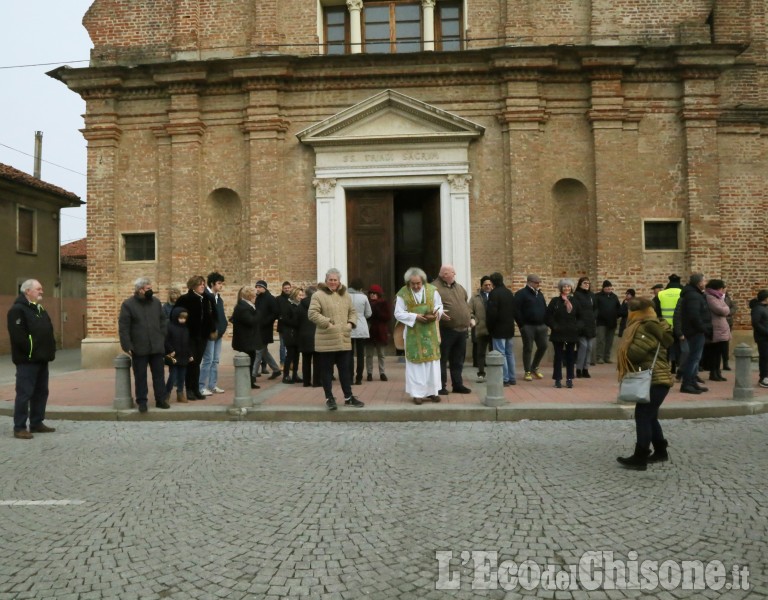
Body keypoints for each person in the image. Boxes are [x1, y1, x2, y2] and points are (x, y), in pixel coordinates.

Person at [616, 297, 674, 470]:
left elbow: (635, 354)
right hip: (659, 378)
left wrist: (626, 346)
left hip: (653, 378)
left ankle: (640, 457)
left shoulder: (645, 327)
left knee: (642, 415)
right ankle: (660, 451)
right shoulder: (657, 325)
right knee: (650, 415)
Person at [7, 279, 57, 439]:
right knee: (24, 393)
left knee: (41, 392)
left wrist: (50, 350)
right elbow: (18, 337)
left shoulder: (39, 309)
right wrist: (31, 352)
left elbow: (47, 331)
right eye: (38, 289)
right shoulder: (17, 310)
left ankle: (36, 422)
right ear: (27, 291)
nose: (42, 291)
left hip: (42, 359)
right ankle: (19, 427)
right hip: (27, 360)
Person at [308, 268, 363, 410]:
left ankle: (348, 397)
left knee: (345, 371)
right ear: (326, 281)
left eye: (335, 280)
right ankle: (329, 398)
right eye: (330, 280)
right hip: (326, 340)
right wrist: (328, 323)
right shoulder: (318, 295)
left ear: (339, 281)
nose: (333, 282)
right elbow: (312, 314)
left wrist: (350, 324)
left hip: (343, 338)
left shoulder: (346, 295)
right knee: (326, 372)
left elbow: (353, 311)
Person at [118, 277, 170, 412]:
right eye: (148, 288)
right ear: (140, 290)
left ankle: (161, 399)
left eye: (150, 288)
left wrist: (162, 336)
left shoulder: (156, 303)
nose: (150, 291)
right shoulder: (128, 304)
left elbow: (163, 320)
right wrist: (127, 345)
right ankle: (142, 402)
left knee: (159, 375)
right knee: (140, 376)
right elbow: (124, 326)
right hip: (139, 347)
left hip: (156, 346)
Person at [394, 267, 444, 404]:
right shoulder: (402, 294)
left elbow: (439, 305)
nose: (416, 286)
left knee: (432, 364)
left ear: (423, 281)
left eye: (418, 283)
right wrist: (415, 316)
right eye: (413, 284)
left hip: (429, 332)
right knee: (416, 366)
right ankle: (417, 394)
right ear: (408, 283)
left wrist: (435, 313)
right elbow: (398, 313)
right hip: (413, 334)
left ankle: (433, 392)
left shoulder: (432, 290)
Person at [433, 264, 472, 395]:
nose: (454, 274)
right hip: (445, 329)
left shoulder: (459, 287)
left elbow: (466, 304)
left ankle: (457, 384)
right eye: (452, 273)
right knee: (442, 359)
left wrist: (470, 318)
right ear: (444, 275)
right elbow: (431, 307)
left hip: (461, 330)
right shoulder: (434, 288)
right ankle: (440, 386)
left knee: (458, 359)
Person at [175, 275, 216, 400]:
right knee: (190, 362)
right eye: (200, 284)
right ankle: (188, 389)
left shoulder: (205, 299)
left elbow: (209, 316)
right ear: (193, 286)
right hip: (189, 335)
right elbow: (177, 316)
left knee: (197, 362)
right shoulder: (185, 299)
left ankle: (196, 388)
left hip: (202, 336)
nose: (203, 286)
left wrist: (212, 330)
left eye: (204, 284)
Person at [677, 273, 712, 394]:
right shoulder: (693, 296)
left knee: (695, 358)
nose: (705, 283)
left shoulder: (695, 294)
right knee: (693, 358)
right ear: (699, 283)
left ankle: (692, 382)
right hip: (695, 331)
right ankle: (686, 384)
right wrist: (703, 328)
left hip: (694, 330)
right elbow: (694, 315)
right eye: (704, 281)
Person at [546, 279, 580, 389]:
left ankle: (569, 378)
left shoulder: (575, 301)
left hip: (571, 332)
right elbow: (548, 316)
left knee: (570, 357)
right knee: (558, 357)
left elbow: (581, 317)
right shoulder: (555, 301)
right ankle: (557, 379)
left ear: (571, 288)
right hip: (558, 332)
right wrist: (554, 326)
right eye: (564, 286)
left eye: (568, 287)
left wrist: (577, 327)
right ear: (561, 288)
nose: (566, 288)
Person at [514, 274, 548, 381]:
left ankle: (534, 367)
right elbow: (516, 310)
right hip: (528, 326)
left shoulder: (540, 294)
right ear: (529, 282)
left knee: (543, 346)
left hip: (541, 325)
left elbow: (544, 307)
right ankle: (527, 371)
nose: (538, 284)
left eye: (539, 282)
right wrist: (522, 325)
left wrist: (545, 322)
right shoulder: (521, 294)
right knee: (528, 348)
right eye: (536, 282)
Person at [198, 272, 227, 396]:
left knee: (215, 360)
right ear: (212, 284)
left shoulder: (218, 297)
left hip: (218, 334)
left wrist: (222, 327)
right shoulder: (206, 297)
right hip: (210, 334)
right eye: (219, 283)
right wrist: (211, 330)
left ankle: (212, 385)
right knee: (208, 360)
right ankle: (201, 386)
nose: (221, 286)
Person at [486, 272, 517, 386]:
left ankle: (505, 378)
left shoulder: (494, 294)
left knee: (500, 354)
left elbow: (492, 313)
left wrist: (490, 327)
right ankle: (512, 377)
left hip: (498, 328)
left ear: (493, 282)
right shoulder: (509, 292)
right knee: (509, 353)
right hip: (509, 327)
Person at [230, 286, 263, 389]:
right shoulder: (243, 307)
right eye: (254, 295)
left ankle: (249, 381)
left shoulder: (247, 305)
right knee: (247, 361)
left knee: (251, 360)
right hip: (245, 340)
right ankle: (246, 382)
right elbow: (251, 321)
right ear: (250, 296)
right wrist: (258, 312)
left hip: (249, 339)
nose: (256, 297)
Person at [703, 279, 731, 382]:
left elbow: (726, 308)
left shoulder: (717, 297)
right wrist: (726, 308)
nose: (723, 290)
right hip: (716, 328)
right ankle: (713, 372)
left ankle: (717, 372)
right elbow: (722, 310)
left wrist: (725, 308)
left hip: (721, 328)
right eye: (722, 288)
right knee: (714, 352)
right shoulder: (711, 297)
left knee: (719, 351)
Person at [655, 274, 683, 376]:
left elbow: (656, 310)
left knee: (666, 348)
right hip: (680, 326)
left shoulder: (661, 294)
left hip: (665, 326)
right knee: (679, 348)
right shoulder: (682, 292)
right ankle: (678, 368)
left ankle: (666, 367)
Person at [253, 280, 282, 380]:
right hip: (258, 328)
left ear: (264, 288)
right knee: (264, 351)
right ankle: (276, 370)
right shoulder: (258, 298)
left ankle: (253, 374)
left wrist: (266, 322)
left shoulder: (270, 298)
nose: (257, 289)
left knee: (258, 351)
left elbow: (275, 313)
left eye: (259, 287)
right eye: (256, 287)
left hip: (265, 329)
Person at [164, 308, 193, 403]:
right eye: (181, 318)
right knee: (172, 377)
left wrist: (190, 354)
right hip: (174, 357)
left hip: (184, 356)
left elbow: (188, 343)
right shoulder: (170, 326)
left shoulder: (186, 328)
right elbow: (166, 340)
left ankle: (180, 394)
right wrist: (171, 350)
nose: (183, 320)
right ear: (176, 316)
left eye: (185, 318)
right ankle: (166, 394)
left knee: (182, 377)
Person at [348, 278, 372, 385]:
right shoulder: (363, 297)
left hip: (348, 325)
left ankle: (350, 377)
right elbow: (369, 313)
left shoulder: (345, 296)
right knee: (361, 354)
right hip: (361, 326)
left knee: (349, 354)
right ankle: (359, 378)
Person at [365, 284, 391, 382]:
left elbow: (387, 317)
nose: (372, 295)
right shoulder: (366, 302)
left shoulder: (383, 303)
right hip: (370, 331)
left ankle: (382, 373)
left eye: (374, 293)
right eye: (371, 293)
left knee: (381, 354)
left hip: (380, 331)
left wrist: (377, 311)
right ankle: (369, 373)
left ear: (378, 294)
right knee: (369, 354)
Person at [469, 276, 492, 383]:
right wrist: (473, 319)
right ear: (481, 286)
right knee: (481, 353)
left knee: (494, 353)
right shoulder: (475, 297)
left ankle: (493, 373)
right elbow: (469, 311)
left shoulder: (494, 295)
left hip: (493, 329)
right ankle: (481, 373)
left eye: (489, 285)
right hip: (481, 329)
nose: (488, 286)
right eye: (485, 285)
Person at [572, 276, 596, 378]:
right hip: (581, 324)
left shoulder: (592, 295)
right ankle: (579, 369)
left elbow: (596, 308)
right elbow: (575, 309)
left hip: (590, 324)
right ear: (580, 284)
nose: (587, 285)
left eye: (588, 283)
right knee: (583, 346)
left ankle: (586, 368)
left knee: (590, 347)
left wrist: (594, 316)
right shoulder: (576, 295)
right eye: (585, 283)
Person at [280, 287, 304, 384]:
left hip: (298, 334)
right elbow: (285, 319)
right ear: (294, 295)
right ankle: (286, 375)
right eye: (299, 295)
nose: (301, 297)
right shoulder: (287, 305)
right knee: (290, 355)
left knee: (297, 355)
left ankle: (295, 374)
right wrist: (297, 322)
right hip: (290, 333)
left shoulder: (300, 305)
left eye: (302, 295)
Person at [298, 285, 320, 388]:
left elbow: (296, 320)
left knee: (306, 360)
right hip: (316, 333)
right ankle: (316, 381)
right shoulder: (318, 304)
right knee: (317, 360)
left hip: (303, 335)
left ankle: (306, 382)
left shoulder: (300, 305)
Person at [594, 280, 621, 364]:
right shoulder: (597, 296)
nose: (609, 288)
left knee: (609, 341)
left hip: (612, 322)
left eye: (610, 287)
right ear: (603, 288)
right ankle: (599, 357)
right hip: (601, 322)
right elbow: (595, 308)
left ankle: (607, 357)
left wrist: (616, 315)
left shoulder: (614, 297)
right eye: (607, 287)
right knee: (601, 340)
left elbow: (618, 308)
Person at [750, 289, 768, 388]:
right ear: (765, 298)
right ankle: (763, 378)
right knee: (764, 358)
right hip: (762, 338)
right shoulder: (757, 309)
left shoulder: (765, 308)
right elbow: (756, 323)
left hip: (766, 337)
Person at [275, 281, 292, 367]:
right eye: (285, 288)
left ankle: (291, 363)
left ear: (290, 288)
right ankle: (282, 362)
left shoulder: (293, 298)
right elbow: (275, 311)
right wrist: (280, 316)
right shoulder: (278, 299)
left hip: (292, 325)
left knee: (291, 345)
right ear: (282, 289)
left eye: (288, 288)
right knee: (282, 345)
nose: (287, 289)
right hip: (282, 325)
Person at [722, 286, 736, 371]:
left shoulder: (728, 297)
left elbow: (734, 307)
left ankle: (725, 362)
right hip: (718, 322)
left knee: (725, 344)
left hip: (728, 321)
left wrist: (728, 313)